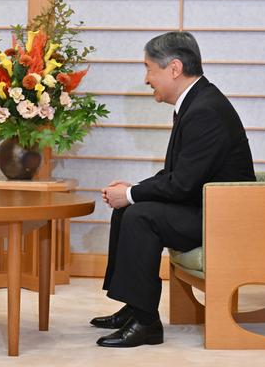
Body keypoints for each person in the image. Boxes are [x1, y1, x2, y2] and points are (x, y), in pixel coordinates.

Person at [93, 32, 255, 347]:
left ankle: (147, 323)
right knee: (130, 210)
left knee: (140, 215)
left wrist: (130, 194)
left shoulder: (205, 109)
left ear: (174, 68)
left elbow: (181, 184)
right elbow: (179, 175)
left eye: (149, 68)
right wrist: (132, 191)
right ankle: (134, 306)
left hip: (222, 216)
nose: (146, 79)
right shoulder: (197, 101)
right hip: (203, 205)